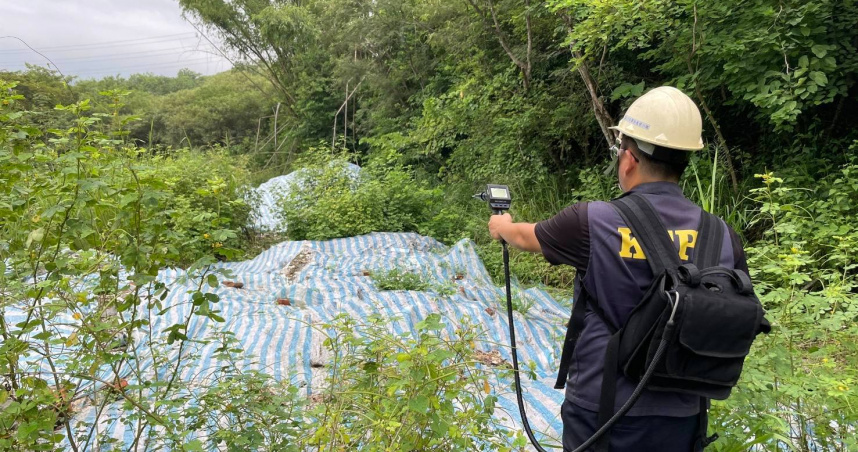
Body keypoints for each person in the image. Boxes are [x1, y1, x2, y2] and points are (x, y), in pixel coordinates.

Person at [487, 86, 750, 452]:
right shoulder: (722, 235)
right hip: (684, 415)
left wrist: (500, 224)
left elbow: (524, 236)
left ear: (628, 159)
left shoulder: (591, 221)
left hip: (602, 411)